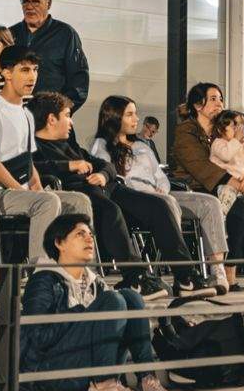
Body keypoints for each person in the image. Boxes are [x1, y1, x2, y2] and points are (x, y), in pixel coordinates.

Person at [30, 92, 192, 300]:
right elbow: (35, 169)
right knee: (111, 211)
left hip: (110, 188)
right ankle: (136, 278)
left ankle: (186, 276)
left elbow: (106, 165)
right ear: (51, 119)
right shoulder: (36, 149)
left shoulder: (71, 146)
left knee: (159, 205)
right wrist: (68, 166)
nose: (71, 121)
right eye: (67, 115)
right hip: (83, 194)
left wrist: (103, 174)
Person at [20, 214, 174, 391]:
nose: (89, 238)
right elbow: (37, 337)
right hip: (52, 376)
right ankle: (104, 385)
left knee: (131, 297)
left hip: (88, 371)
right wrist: (80, 313)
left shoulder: (96, 284)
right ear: (59, 243)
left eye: (91, 234)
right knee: (114, 299)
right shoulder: (44, 280)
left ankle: (146, 378)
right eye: (80, 234)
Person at [0, 46, 92, 264]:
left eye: (35, 70)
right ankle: (40, 272)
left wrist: (37, 188)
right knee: (46, 202)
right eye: (25, 70)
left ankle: (80, 271)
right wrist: (20, 188)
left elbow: (28, 161)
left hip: (21, 193)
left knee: (78, 200)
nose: (32, 76)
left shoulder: (26, 113)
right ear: (6, 73)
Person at [91, 96, 229, 295]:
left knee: (210, 203)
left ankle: (217, 270)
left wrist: (162, 189)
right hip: (134, 197)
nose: (136, 119)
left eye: (135, 113)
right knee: (164, 203)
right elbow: (111, 181)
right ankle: (184, 274)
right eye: (130, 114)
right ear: (113, 117)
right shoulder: (101, 147)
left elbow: (160, 176)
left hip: (160, 192)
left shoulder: (142, 146)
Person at [172, 83, 244, 281]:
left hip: (232, 185)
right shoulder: (186, 132)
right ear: (197, 105)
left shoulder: (225, 128)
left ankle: (236, 255)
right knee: (240, 210)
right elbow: (203, 168)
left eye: (220, 98)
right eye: (212, 99)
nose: (219, 103)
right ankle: (229, 271)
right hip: (198, 188)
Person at [9, 0, 89, 111]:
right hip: (16, 117)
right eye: (25, 2)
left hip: (52, 119)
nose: (29, 7)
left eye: (35, 2)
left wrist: (59, 111)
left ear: (48, 3)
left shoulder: (65, 34)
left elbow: (79, 82)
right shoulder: (11, 34)